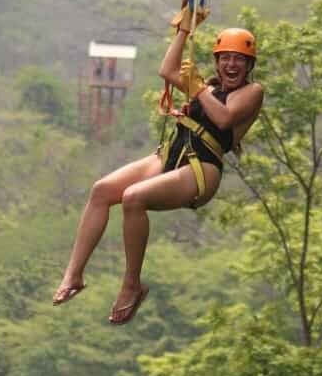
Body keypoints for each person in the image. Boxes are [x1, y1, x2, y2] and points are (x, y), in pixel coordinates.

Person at [52, 21, 263, 324]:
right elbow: (167, 70)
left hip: (200, 167)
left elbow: (225, 117)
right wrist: (185, 29)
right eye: (225, 58)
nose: (231, 64)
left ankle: (131, 284)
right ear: (217, 61)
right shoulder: (209, 87)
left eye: (239, 60)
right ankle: (73, 275)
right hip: (170, 154)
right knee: (101, 190)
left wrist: (197, 88)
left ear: (249, 66)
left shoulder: (251, 92)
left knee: (133, 198)